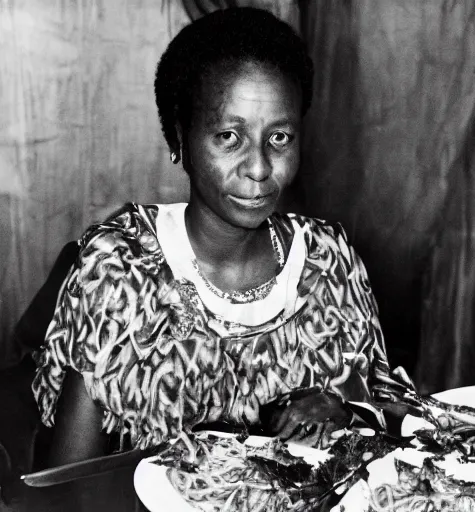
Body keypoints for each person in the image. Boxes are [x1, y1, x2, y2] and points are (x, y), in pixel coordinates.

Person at [31, 7, 415, 472]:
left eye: (280, 138)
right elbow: (71, 481)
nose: (258, 168)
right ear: (179, 137)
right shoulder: (121, 271)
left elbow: (392, 433)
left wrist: (347, 412)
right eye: (229, 137)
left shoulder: (329, 263)